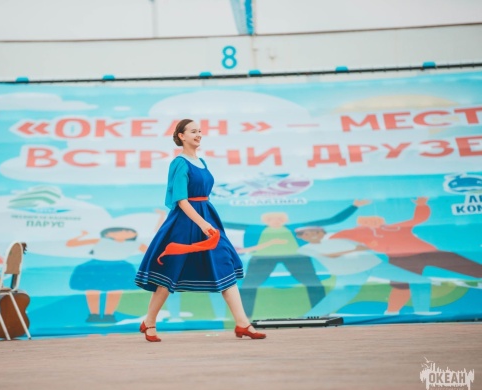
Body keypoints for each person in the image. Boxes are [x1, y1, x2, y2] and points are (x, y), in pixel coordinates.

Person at [134, 119, 266, 342]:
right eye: (193, 131)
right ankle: (150, 322)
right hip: (184, 223)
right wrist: (202, 223)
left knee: (224, 266)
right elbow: (181, 200)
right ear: (181, 136)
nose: (198, 135)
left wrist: (206, 221)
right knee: (168, 275)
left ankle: (243, 324)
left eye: (200, 131)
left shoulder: (201, 161)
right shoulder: (179, 163)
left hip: (207, 216)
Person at [332, 197, 482, 314]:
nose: (374, 222)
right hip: (400, 258)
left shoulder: (395, 227)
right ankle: (392, 312)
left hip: (427, 252)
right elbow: (335, 238)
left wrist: (421, 205)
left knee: (464, 265)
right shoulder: (356, 232)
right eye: (368, 220)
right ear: (361, 222)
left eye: (376, 219)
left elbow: (418, 219)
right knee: (401, 287)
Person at [225, 199, 370, 318]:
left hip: (296, 257)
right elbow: (228, 225)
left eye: (279, 219)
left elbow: (332, 220)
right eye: (271, 219)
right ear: (266, 220)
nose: (275, 221)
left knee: (314, 283)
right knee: (248, 285)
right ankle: (245, 317)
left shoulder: (296, 227)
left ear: (285, 220)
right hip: (262, 258)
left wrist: (354, 206)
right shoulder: (256, 229)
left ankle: (321, 313)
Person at [295, 227, 433, 316]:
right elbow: (331, 256)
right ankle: (308, 318)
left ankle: (422, 312)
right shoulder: (306, 248)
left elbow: (365, 247)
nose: (311, 235)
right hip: (349, 273)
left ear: (321, 232)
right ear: (302, 237)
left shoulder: (340, 239)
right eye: (306, 234)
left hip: (374, 265)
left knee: (421, 280)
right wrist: (354, 250)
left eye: (315, 232)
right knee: (338, 298)